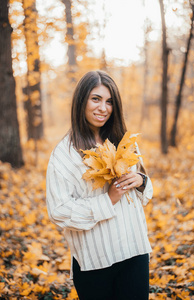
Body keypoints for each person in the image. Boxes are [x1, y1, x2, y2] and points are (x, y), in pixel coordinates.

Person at [46, 70, 153, 300]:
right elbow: (58, 211)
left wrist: (141, 181)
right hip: (95, 260)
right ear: (81, 100)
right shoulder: (64, 154)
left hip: (134, 251)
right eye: (96, 99)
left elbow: (144, 186)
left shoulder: (123, 141)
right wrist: (108, 200)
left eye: (109, 101)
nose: (103, 108)